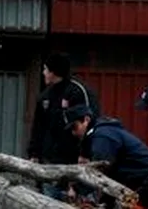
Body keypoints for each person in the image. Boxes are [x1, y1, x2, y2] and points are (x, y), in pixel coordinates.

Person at [27, 53, 101, 201]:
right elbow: (38, 127)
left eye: (45, 69)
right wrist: (34, 153)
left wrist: (85, 155)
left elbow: (90, 124)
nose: (43, 73)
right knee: (49, 201)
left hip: (74, 163)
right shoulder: (45, 97)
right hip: (50, 163)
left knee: (78, 202)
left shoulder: (77, 91)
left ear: (53, 72)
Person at [64, 104, 148, 207]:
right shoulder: (99, 133)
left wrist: (77, 189)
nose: (74, 132)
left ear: (86, 120)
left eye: (75, 127)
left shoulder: (102, 136)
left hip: (145, 180)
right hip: (137, 180)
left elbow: (100, 170)